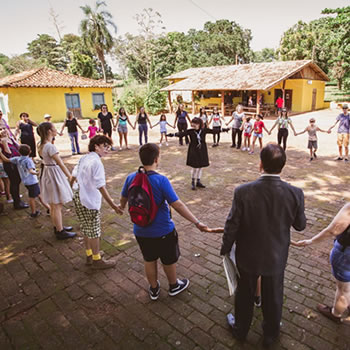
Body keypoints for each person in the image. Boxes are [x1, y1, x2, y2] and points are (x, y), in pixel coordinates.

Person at [220, 143, 306, 347]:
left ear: (260, 164)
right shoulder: (295, 193)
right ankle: (270, 334)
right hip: (276, 254)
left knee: (244, 293)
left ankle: (241, 330)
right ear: (282, 166)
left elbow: (232, 224)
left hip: (248, 253)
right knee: (274, 294)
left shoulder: (243, 191)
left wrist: (225, 248)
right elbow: (300, 225)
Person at [119, 143, 208, 300]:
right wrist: (197, 222)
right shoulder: (161, 180)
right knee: (168, 259)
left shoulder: (130, 178)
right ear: (156, 159)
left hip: (140, 230)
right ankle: (174, 286)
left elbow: (123, 198)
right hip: (163, 231)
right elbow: (177, 205)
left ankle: (154, 289)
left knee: (149, 259)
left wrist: (120, 207)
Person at [71, 135, 123, 269]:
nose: (107, 149)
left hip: (78, 195)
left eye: (108, 147)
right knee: (94, 230)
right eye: (105, 146)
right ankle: (97, 259)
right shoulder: (96, 162)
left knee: (86, 227)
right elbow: (101, 186)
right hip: (88, 198)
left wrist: (71, 190)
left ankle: (89, 254)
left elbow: (73, 175)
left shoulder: (84, 158)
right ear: (96, 146)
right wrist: (113, 206)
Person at [294, 203, 350, 324]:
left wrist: (310, 241)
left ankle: (336, 313)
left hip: (346, 253)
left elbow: (333, 230)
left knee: (343, 290)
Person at [37, 122, 76, 240]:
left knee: (54, 205)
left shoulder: (41, 145)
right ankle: (60, 231)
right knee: (57, 204)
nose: (55, 130)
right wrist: (70, 176)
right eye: (54, 128)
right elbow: (60, 163)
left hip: (48, 173)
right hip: (53, 173)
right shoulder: (50, 146)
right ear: (49, 131)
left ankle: (58, 226)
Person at [168, 117, 228, 190]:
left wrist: (223, 130)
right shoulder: (190, 131)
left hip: (202, 149)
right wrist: (173, 135)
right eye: (193, 123)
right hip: (193, 150)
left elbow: (213, 131)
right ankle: (193, 181)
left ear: (200, 124)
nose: (194, 125)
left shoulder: (203, 130)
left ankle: (198, 181)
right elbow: (181, 134)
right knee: (195, 167)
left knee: (200, 167)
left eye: (196, 123)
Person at [0, 144, 49, 217]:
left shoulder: (17, 159)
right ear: (30, 152)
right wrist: (37, 173)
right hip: (32, 181)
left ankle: (45, 208)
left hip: (25, 181)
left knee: (36, 195)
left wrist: (0, 153)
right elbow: (31, 170)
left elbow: (6, 160)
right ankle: (36, 211)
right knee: (35, 196)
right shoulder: (28, 161)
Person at [0, 126, 28, 209]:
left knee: (17, 181)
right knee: (14, 183)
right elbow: (8, 154)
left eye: (4, 128)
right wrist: (4, 143)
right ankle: (17, 203)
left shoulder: (10, 139)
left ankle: (18, 200)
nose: (3, 130)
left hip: (17, 164)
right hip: (10, 165)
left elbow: (18, 148)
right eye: (0, 130)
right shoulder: (2, 142)